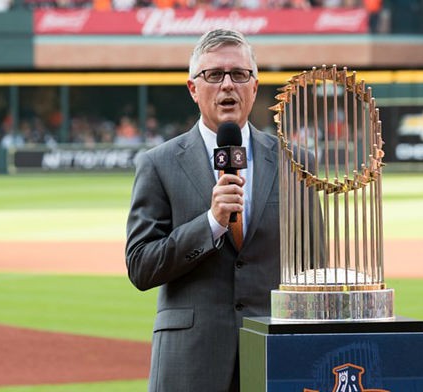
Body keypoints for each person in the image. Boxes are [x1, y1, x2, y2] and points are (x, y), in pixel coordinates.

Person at [125, 29, 280, 392]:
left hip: (276, 356)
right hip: (190, 361)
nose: (227, 85)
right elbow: (141, 265)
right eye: (214, 75)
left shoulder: (294, 161)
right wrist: (211, 223)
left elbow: (312, 266)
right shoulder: (158, 164)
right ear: (194, 89)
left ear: (254, 86)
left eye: (239, 75)